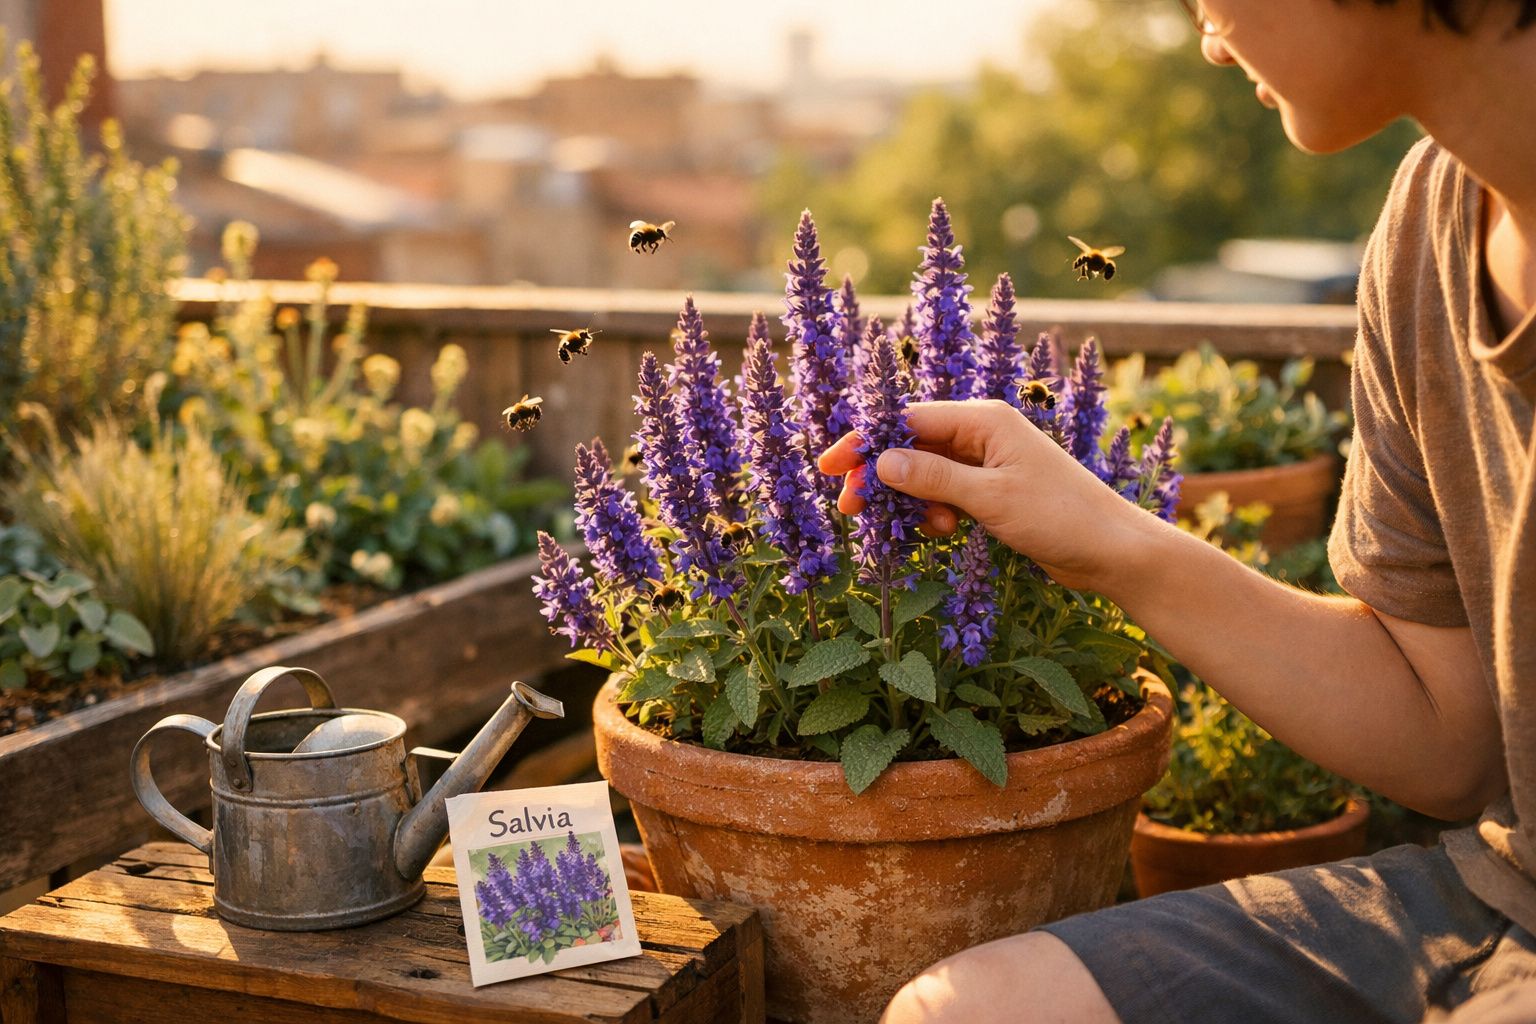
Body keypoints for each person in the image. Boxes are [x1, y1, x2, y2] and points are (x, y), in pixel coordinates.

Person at [818, 0, 1536, 1020]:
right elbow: (1452, 738)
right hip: (1491, 899)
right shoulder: (1427, 230)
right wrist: (1104, 538)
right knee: (956, 1008)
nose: (1208, 35)